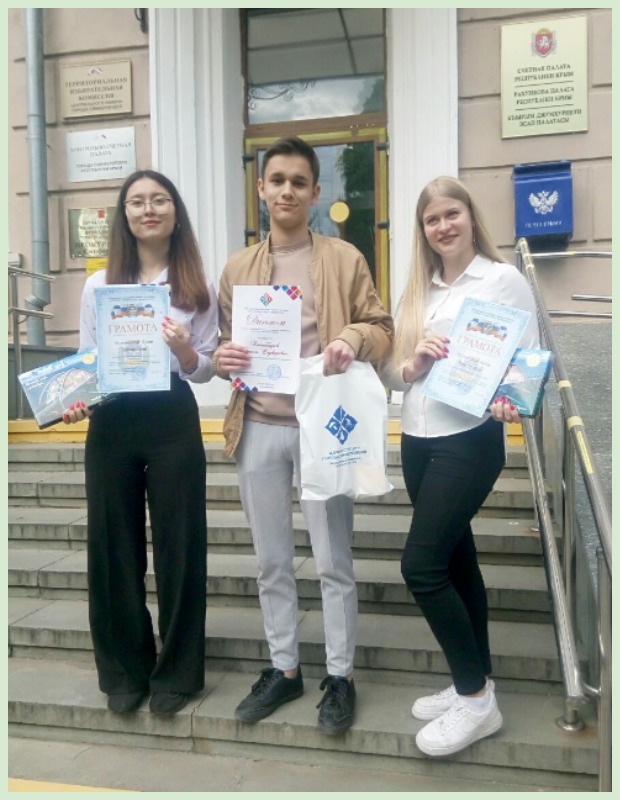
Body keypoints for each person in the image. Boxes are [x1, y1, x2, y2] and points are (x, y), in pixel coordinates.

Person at [213, 136, 393, 735]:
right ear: (261, 189)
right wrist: (223, 358)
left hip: (325, 428)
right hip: (259, 425)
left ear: (316, 193)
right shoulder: (238, 269)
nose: (286, 190)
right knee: (272, 560)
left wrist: (351, 339)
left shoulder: (344, 258)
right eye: (277, 180)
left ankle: (340, 676)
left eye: (298, 182)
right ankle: (284, 668)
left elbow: (381, 327)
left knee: (333, 560)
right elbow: (224, 347)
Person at [382, 176, 539, 757]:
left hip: (470, 438)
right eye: (432, 219)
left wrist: (511, 399)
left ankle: (476, 702)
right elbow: (391, 373)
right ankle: (475, 676)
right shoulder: (417, 291)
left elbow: (527, 360)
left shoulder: (502, 280)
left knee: (421, 567)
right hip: (417, 438)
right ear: (422, 230)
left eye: (452, 214)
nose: (443, 226)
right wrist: (413, 364)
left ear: (471, 217)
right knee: (455, 559)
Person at [63, 170, 218, 715]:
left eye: (159, 200)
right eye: (136, 202)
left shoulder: (195, 285)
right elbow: (87, 361)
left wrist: (184, 351)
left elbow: (207, 368)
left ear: (175, 212)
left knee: (180, 542)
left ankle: (178, 671)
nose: (148, 209)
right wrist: (78, 399)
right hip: (112, 418)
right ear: (124, 215)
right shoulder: (99, 284)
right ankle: (124, 670)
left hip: (172, 414)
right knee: (112, 544)